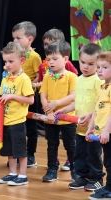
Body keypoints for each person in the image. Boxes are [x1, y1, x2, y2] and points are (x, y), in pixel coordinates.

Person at [56, 43, 104, 190]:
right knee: (80, 154)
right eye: (83, 62)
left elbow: (100, 103)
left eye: (91, 64)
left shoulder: (98, 80)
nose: (86, 67)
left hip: (94, 128)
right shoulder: (79, 79)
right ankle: (83, 177)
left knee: (93, 155)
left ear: (98, 64)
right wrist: (64, 110)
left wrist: (91, 117)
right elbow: (77, 101)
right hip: (80, 127)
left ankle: (96, 179)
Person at [37, 28, 78, 171]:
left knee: (70, 145)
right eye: (49, 59)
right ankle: (52, 170)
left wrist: (56, 104)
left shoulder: (71, 76)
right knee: (52, 144)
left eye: (55, 59)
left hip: (67, 117)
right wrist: (47, 109)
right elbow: (43, 94)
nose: (51, 62)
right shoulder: (48, 76)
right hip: (50, 117)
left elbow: (73, 96)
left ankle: (75, 171)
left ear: (66, 59)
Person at [0, 42, 34, 186]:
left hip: (17, 121)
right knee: (9, 150)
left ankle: (23, 175)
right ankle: (12, 173)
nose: (7, 64)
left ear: (21, 61)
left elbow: (30, 100)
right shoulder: (6, 77)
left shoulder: (24, 79)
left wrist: (12, 97)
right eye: (5, 61)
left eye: (11, 61)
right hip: (5, 120)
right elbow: (1, 96)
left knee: (20, 150)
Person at [12, 21, 41, 167]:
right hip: (16, 97)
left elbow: (38, 76)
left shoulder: (35, 56)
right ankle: (18, 154)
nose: (15, 41)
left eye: (18, 38)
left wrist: (29, 85)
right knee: (17, 127)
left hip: (29, 96)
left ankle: (31, 155)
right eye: (14, 38)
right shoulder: (14, 55)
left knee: (30, 127)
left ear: (30, 39)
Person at [86, 51, 111, 199]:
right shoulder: (102, 87)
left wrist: (107, 131)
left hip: (107, 132)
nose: (99, 70)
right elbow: (97, 109)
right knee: (107, 160)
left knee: (109, 161)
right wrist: (90, 128)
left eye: (105, 67)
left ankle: (109, 189)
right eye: (98, 67)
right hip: (101, 132)